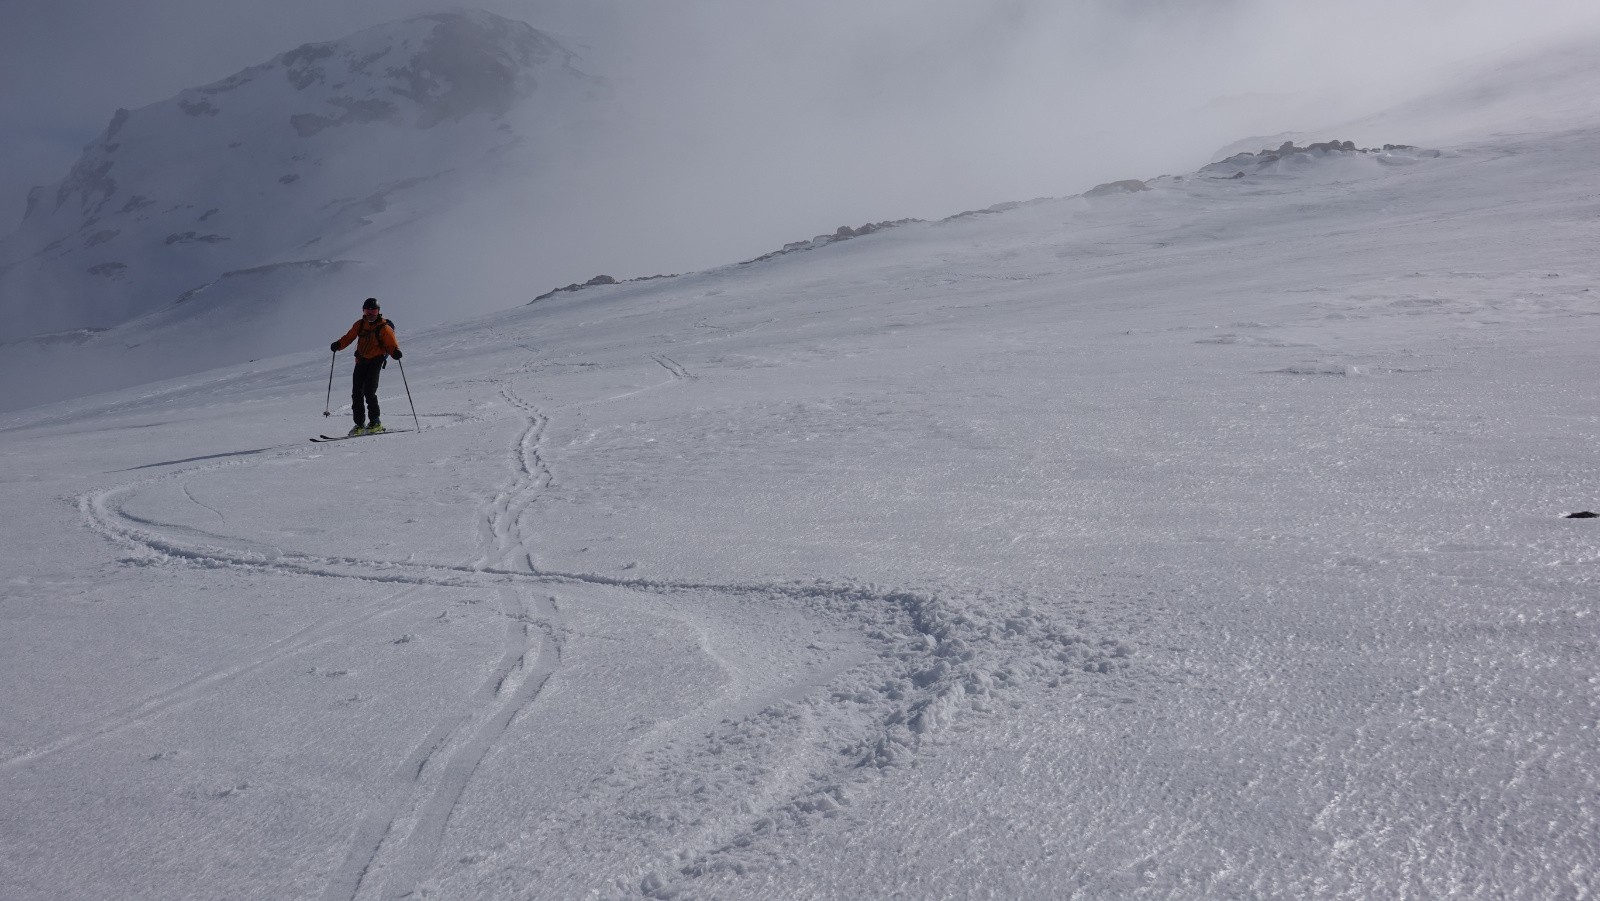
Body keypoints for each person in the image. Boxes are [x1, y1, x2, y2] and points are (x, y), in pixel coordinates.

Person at [330, 298, 402, 435]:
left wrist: (395, 353)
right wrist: (338, 345)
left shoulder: (384, 328)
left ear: (378, 312)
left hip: (376, 360)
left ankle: (375, 422)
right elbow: (349, 337)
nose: (370, 314)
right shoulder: (360, 324)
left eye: (373, 311)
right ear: (363, 311)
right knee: (357, 393)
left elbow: (391, 344)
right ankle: (359, 425)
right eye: (367, 311)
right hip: (361, 360)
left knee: (369, 391)